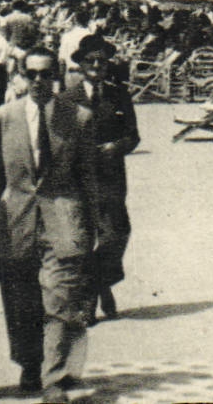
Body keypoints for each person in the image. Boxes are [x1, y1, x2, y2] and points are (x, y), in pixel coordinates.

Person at [0, 51, 102, 395]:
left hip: (62, 219)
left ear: (58, 74)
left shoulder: (79, 117)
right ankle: (29, 365)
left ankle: (54, 378)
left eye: (46, 74)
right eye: (31, 74)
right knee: (21, 302)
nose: (38, 81)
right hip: (16, 220)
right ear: (20, 74)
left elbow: (88, 177)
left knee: (58, 300)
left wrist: (92, 226)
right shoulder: (2, 117)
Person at [66, 35, 139, 324]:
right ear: (80, 66)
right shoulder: (67, 98)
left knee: (116, 233)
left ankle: (99, 284)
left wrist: (116, 147)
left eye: (102, 61)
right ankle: (90, 300)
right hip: (79, 177)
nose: (97, 65)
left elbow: (133, 135)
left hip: (111, 177)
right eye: (90, 61)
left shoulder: (118, 95)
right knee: (83, 240)